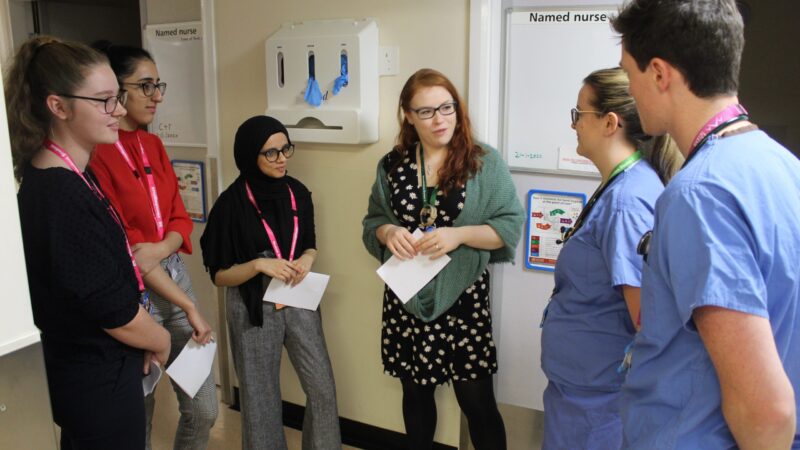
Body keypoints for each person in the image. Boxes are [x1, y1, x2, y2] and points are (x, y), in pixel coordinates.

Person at [612, 1, 800, 448]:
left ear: (659, 73)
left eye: (629, 72)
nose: (629, 89)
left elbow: (766, 410)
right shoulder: (783, 166)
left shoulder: (699, 195)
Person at [6, 35, 171, 449]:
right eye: (103, 100)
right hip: (92, 381)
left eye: (117, 97)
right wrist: (159, 338)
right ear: (58, 106)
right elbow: (109, 306)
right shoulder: (56, 194)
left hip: (108, 368)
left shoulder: (79, 176)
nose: (118, 111)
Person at [362, 68, 524, 450]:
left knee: (478, 403)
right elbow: (373, 221)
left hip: (463, 301)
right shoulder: (392, 165)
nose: (440, 120)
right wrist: (388, 233)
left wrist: (459, 235)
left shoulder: (482, 162)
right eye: (427, 111)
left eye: (447, 107)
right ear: (408, 115)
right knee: (416, 400)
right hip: (407, 298)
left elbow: (509, 225)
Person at [539, 67, 682, 450]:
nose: (573, 126)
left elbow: (645, 318)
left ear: (609, 123)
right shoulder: (618, 187)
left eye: (578, 115)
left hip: (598, 399)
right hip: (582, 389)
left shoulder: (627, 202)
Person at [88, 42, 218, 450]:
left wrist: (162, 248)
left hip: (173, 275)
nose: (157, 95)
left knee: (204, 407)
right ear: (115, 89)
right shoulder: (96, 156)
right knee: (136, 415)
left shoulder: (153, 145)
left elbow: (180, 218)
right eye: (146, 86)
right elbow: (127, 249)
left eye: (158, 85)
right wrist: (185, 297)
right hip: (134, 292)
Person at [200, 116, 340, 450]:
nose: (282, 159)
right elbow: (219, 275)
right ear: (250, 155)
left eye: (285, 149)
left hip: (298, 295)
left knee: (322, 387)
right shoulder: (230, 205)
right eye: (271, 153)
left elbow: (309, 243)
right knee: (259, 398)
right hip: (253, 305)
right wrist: (260, 264)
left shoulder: (298, 194)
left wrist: (306, 259)